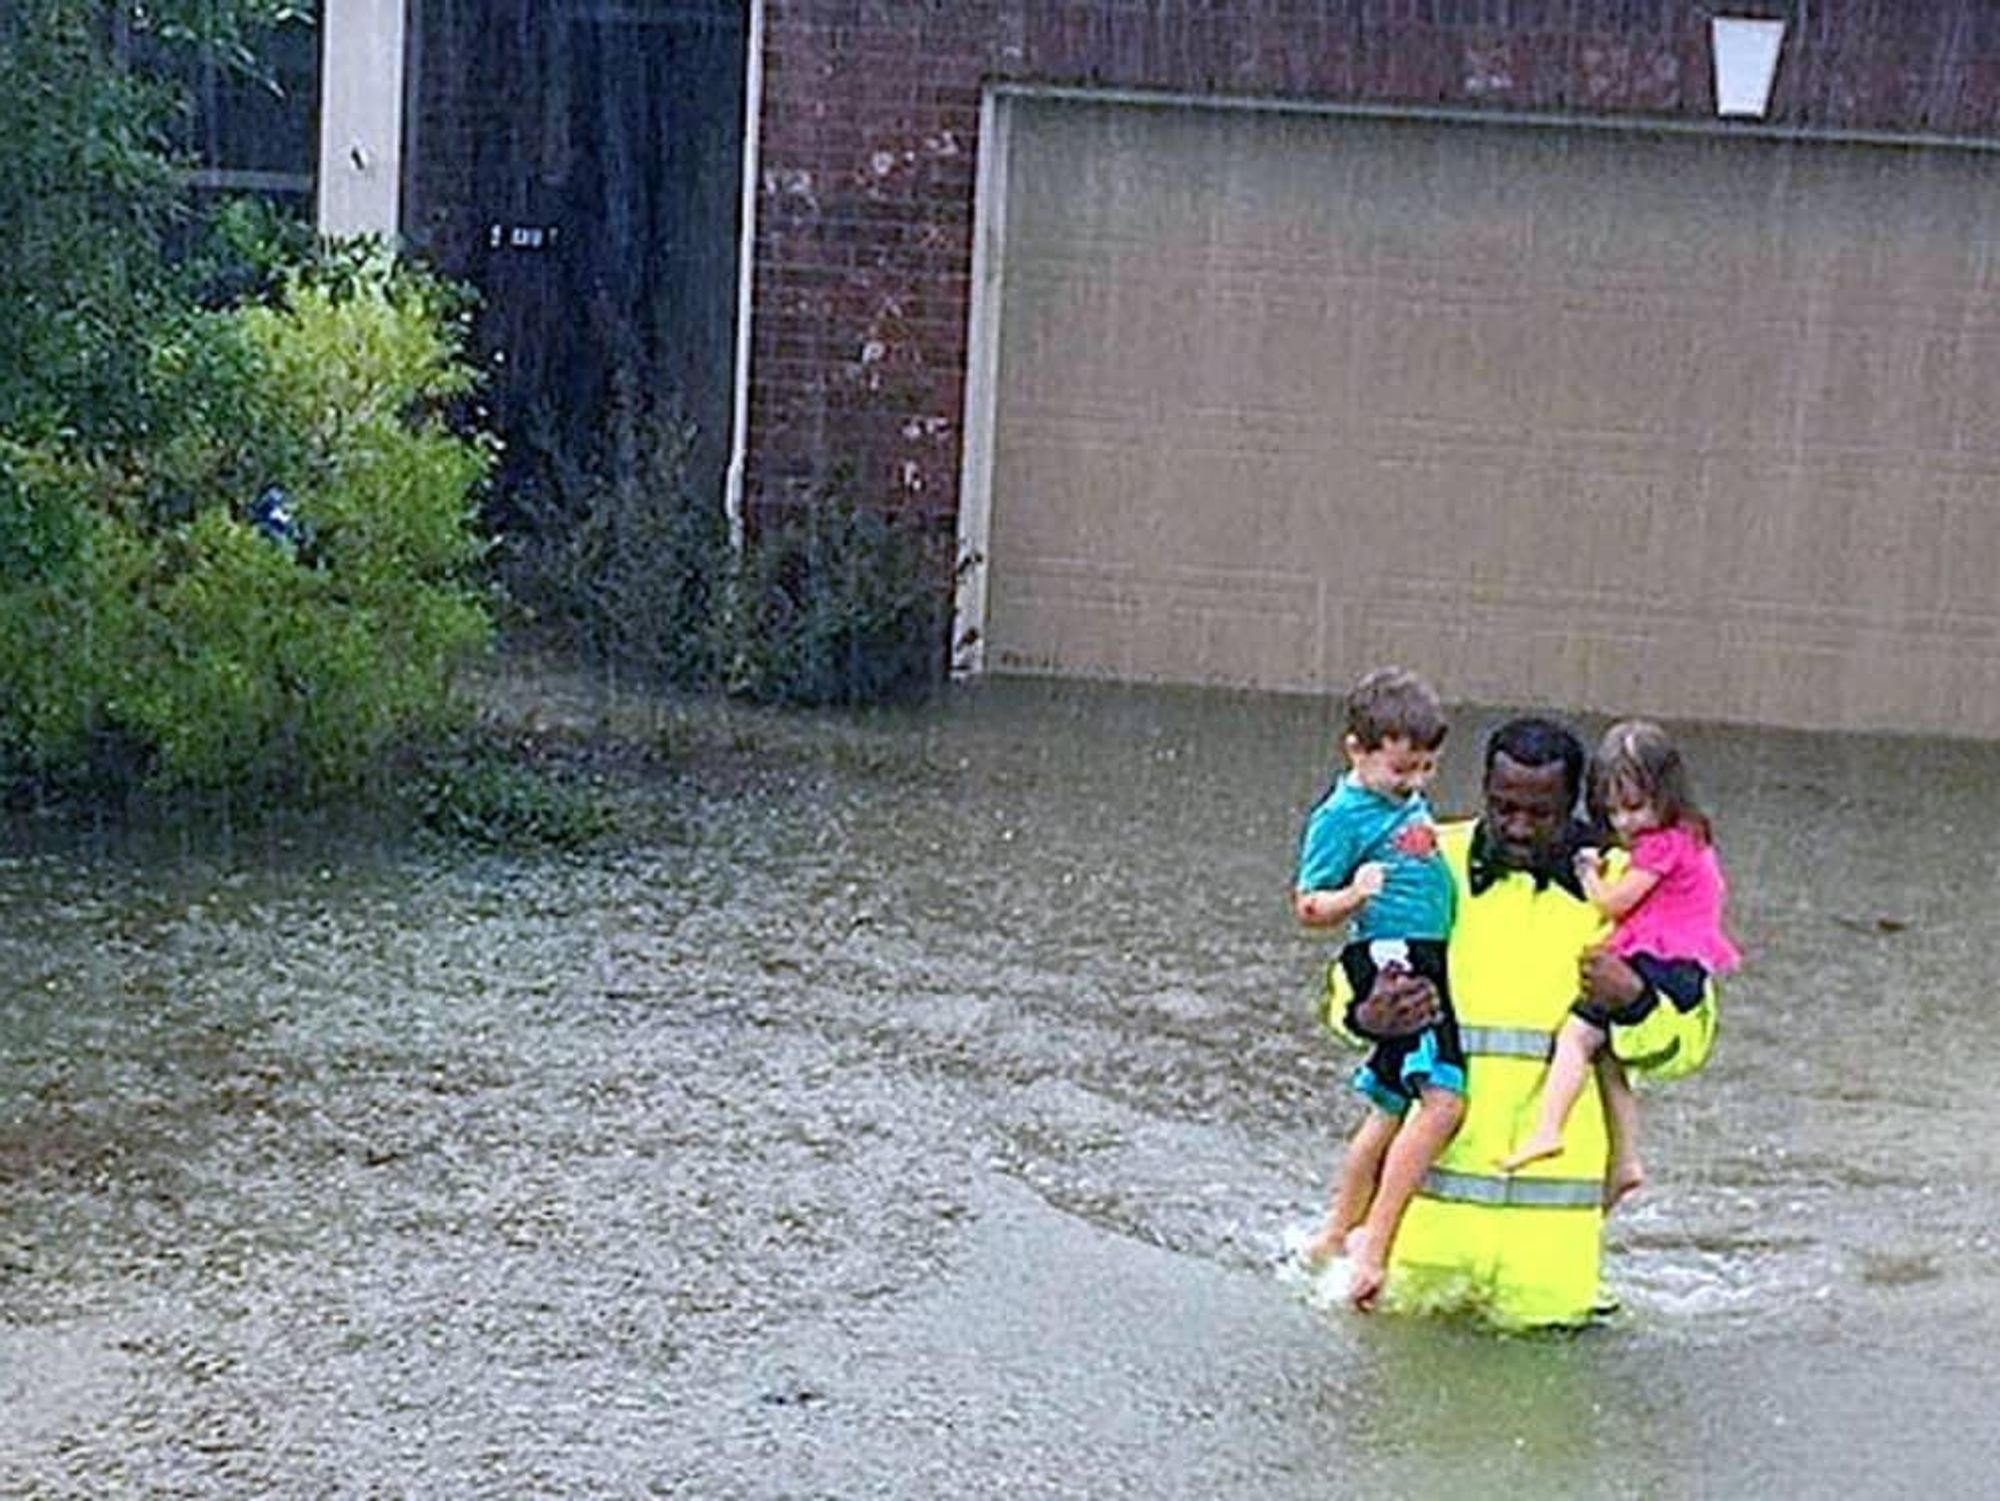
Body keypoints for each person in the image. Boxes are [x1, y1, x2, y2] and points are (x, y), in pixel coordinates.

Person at [1331, 716, 1719, 1325]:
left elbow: (1689, 1043)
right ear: (1483, 788)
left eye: (1542, 813)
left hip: (1549, 1273)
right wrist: (1366, 1014)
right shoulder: (1428, 856)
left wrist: (1636, 1001)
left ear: (1579, 805)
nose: (1518, 826)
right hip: (1420, 1255)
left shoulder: (1628, 886)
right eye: (1503, 806)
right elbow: (1349, 976)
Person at [1497, 720, 1740, 1205]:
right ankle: (1626, 1159)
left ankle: (1549, 1126)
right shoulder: (1690, 837)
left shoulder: (1659, 847)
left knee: (1577, 1035)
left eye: (1634, 807)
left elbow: (1612, 904)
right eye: (1612, 811)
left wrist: (1588, 873)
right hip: (1677, 955)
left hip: (1661, 959)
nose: (1625, 824)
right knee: (1608, 1056)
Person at [1291, 667, 1459, 1305]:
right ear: (1356, 751)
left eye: (1425, 770)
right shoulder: (1340, 815)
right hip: (1393, 961)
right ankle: (1370, 1245)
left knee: (1389, 1104)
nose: (1413, 783)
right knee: (1441, 1101)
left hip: (1423, 953)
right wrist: (1353, 895)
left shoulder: (1399, 801)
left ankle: (1335, 1232)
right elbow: (1307, 905)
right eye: (1400, 770)